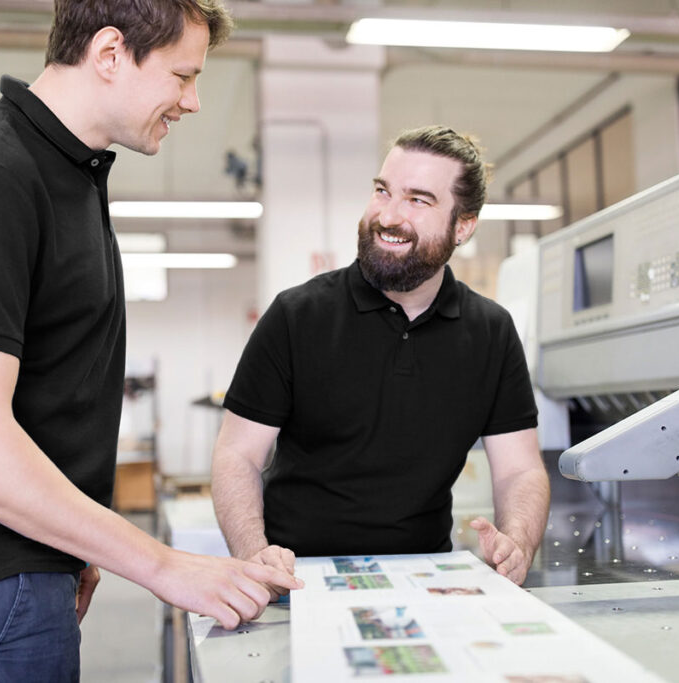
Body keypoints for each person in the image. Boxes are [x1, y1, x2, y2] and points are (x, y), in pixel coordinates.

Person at [0, 2, 300, 681]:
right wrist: (162, 564)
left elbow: (46, 393)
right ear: (111, 53)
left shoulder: (69, 174)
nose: (194, 100)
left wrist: (75, 544)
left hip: (21, 561)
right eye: (182, 76)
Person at [212, 125, 550, 592]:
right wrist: (254, 551)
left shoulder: (490, 331)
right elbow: (237, 455)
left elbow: (520, 469)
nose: (388, 215)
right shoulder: (297, 316)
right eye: (382, 191)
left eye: (418, 200)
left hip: (427, 581)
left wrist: (518, 542)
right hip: (296, 580)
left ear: (464, 225)